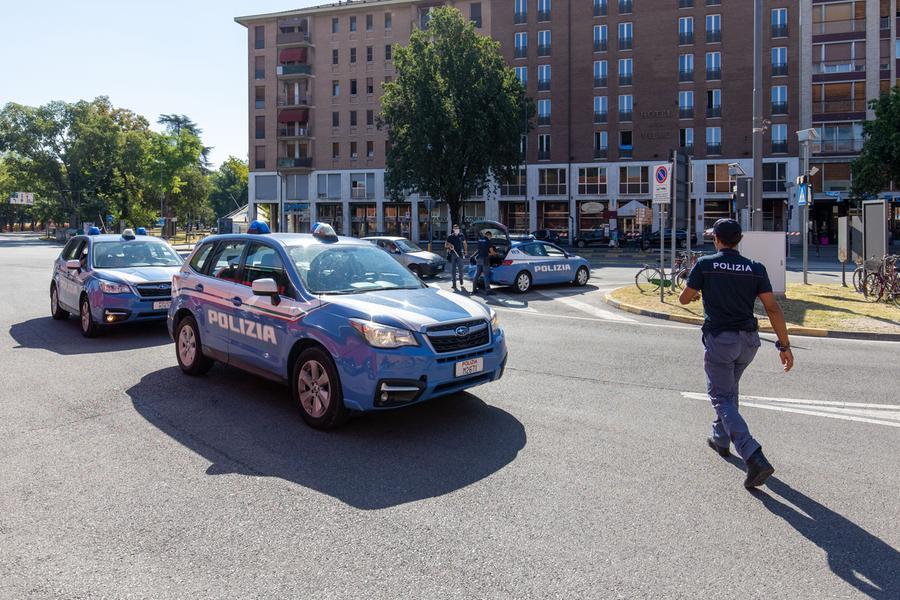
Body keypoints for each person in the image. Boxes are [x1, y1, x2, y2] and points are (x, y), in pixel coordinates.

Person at [679, 218, 794, 489]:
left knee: (721, 396)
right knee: (729, 392)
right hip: (749, 343)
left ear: (716, 240)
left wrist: (697, 295)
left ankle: (753, 455)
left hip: (721, 340)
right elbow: (773, 308)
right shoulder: (755, 268)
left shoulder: (705, 264)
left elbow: (684, 298)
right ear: (739, 240)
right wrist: (784, 346)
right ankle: (720, 438)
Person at [471, 230, 496, 295]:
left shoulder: (479, 240)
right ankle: (488, 291)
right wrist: (495, 253)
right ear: (489, 235)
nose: (490, 238)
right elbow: (491, 252)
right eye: (491, 236)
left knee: (476, 275)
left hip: (479, 259)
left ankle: (474, 290)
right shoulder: (488, 241)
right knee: (486, 275)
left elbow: (478, 250)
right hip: (485, 260)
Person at [445, 224, 467, 291]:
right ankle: (454, 284)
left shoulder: (461, 235)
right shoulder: (450, 236)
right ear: (453, 229)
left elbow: (465, 243)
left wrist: (466, 250)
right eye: (455, 228)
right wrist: (450, 246)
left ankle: (461, 279)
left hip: (460, 254)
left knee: (460, 268)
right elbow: (446, 245)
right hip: (452, 254)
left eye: (457, 228)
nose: (456, 229)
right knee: (453, 270)